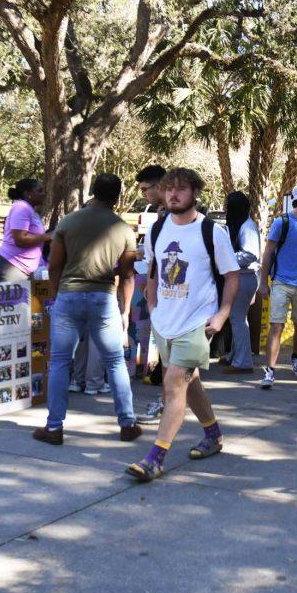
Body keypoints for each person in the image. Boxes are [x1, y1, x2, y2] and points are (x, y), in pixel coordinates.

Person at [126, 168, 239, 481]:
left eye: (181, 189)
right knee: (190, 384)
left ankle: (156, 457)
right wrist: (151, 301)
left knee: (173, 382)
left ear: (195, 193)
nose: (173, 195)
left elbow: (232, 275)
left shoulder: (211, 231)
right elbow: (153, 267)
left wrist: (222, 314)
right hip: (165, 321)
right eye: (168, 189)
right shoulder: (158, 228)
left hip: (196, 322)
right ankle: (213, 434)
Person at [33, 174, 141, 446]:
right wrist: (125, 311)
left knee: (60, 362)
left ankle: (54, 427)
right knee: (114, 361)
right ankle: (127, 423)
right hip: (103, 298)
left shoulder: (69, 222)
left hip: (69, 296)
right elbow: (127, 275)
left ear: (92, 191)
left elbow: (54, 265)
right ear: (117, 197)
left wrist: (58, 294)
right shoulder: (123, 229)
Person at [258, 184, 297, 389]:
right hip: (281, 281)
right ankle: (270, 370)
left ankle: (296, 357)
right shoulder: (282, 222)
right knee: (277, 325)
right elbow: (268, 251)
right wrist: (263, 282)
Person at [133, 165, 168, 423]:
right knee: (176, 362)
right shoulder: (161, 214)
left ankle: (167, 403)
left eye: (145, 189)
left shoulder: (171, 215)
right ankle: (168, 402)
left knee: (173, 360)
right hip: (163, 291)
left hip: (175, 295)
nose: (143, 194)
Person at [222, 190, 260, 374]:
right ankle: (236, 355)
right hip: (241, 276)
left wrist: (226, 258)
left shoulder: (248, 227)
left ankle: (243, 361)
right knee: (238, 318)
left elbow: (251, 253)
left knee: (237, 319)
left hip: (244, 276)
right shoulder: (242, 225)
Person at [0, 179, 52, 281]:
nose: (44, 194)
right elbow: (20, 239)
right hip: (10, 267)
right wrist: (48, 236)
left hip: (23, 269)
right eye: (40, 191)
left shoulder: (30, 209)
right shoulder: (21, 207)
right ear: (28, 193)